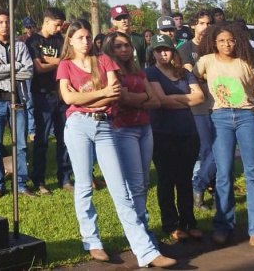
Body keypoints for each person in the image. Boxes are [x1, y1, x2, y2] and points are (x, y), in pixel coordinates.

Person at [57, 19, 174, 267]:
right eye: (80, 38)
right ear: (70, 40)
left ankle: (146, 251)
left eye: (88, 37)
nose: (85, 42)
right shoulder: (65, 65)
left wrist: (86, 99)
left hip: (105, 125)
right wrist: (101, 94)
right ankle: (92, 241)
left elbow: (116, 92)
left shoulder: (103, 60)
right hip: (77, 125)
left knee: (120, 190)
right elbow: (68, 97)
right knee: (84, 186)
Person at [194, 22, 254, 246]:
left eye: (230, 40)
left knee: (253, 172)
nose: (226, 44)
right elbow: (193, 80)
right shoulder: (206, 61)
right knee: (224, 173)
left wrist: (251, 93)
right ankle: (223, 225)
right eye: (221, 41)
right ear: (214, 43)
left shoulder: (247, 61)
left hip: (247, 116)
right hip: (220, 118)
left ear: (237, 42)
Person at [102, 32, 160, 240]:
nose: (124, 49)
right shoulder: (111, 73)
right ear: (110, 49)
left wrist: (138, 98)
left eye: (126, 45)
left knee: (144, 181)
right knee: (134, 183)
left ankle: (141, 224)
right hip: (123, 129)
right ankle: (140, 231)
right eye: (118, 46)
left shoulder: (137, 70)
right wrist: (144, 97)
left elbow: (156, 101)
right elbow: (123, 99)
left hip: (144, 127)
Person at [146, 34, 204, 241]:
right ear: (153, 53)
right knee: (166, 179)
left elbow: (200, 97)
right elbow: (162, 101)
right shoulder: (150, 72)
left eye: (167, 49)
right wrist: (186, 99)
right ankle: (170, 224)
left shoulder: (184, 72)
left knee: (185, 179)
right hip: (163, 133)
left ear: (173, 51)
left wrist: (175, 99)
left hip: (188, 132)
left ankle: (189, 222)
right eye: (159, 50)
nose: (163, 53)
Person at [0, 9, 35, 198]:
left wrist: (2, 67)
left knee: (20, 144)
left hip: (17, 100)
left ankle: (21, 183)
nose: (5, 25)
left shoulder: (20, 46)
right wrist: (16, 65)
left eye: (8, 22)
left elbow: (28, 71)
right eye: (1, 22)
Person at [26, 7, 72, 195]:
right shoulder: (33, 41)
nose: (59, 28)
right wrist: (59, 61)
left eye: (61, 25)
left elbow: (69, 60)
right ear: (46, 21)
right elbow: (38, 68)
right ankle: (39, 180)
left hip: (62, 94)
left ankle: (65, 178)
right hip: (42, 95)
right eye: (57, 24)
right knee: (42, 140)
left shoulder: (60, 39)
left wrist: (49, 59)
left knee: (65, 139)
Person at [176, 9, 216, 209]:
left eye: (208, 23)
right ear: (193, 26)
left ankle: (204, 185)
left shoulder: (216, 45)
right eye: (201, 23)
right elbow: (190, 74)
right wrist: (211, 75)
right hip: (199, 105)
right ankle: (205, 187)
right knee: (207, 148)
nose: (205, 27)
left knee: (220, 147)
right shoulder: (186, 48)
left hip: (220, 102)